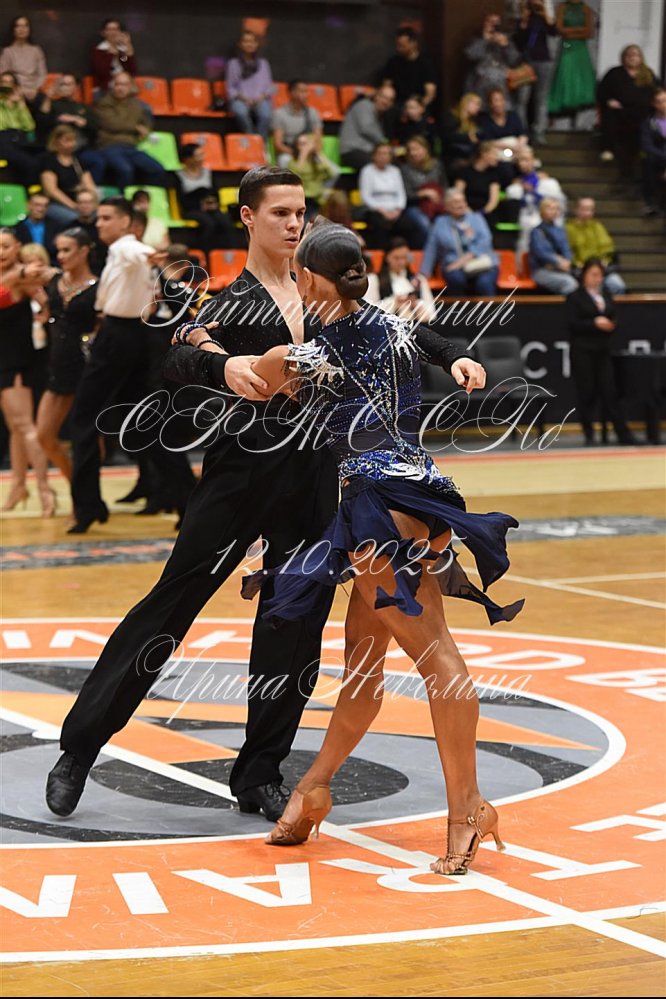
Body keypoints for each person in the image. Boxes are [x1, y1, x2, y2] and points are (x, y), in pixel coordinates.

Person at [45, 165, 484, 826]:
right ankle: (79, 748)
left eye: (300, 212)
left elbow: (406, 331)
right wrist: (224, 364)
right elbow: (179, 355)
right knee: (170, 605)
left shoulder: (324, 291)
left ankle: (259, 773)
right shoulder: (232, 301)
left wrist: (453, 355)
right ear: (248, 218)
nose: (293, 223)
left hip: (315, 477)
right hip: (238, 475)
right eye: (279, 212)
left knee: (294, 621)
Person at [237, 219, 524, 873]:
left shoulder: (316, 352)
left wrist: (202, 339)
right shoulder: (391, 324)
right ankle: (313, 790)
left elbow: (259, 377)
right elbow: (430, 338)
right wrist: (456, 355)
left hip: (377, 513)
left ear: (311, 279)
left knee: (437, 659)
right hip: (418, 497)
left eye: (298, 275)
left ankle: (468, 809)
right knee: (363, 662)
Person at [65, 196, 192, 534]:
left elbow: (136, 252)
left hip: (118, 337)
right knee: (147, 422)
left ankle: (88, 507)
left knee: (83, 420)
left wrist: (149, 254)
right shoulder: (119, 251)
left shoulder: (126, 247)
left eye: (107, 218)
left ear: (125, 222)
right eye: (99, 218)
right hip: (136, 337)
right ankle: (187, 500)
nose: (99, 223)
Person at [36, 228, 98, 489]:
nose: (60, 256)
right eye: (58, 250)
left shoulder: (98, 287)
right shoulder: (53, 280)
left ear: (83, 251)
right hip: (57, 365)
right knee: (44, 435)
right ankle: (78, 487)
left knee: (87, 439)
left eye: (66, 250)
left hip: (86, 366)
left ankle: (86, 495)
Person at [0, 227, 55, 516]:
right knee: (15, 428)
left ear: (17, 247)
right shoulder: (11, 275)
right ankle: (18, 486)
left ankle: (46, 490)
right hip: (3, 360)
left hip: (17, 361)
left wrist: (44, 315)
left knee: (25, 427)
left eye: (6, 246)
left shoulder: (23, 276)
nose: (1, 252)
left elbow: (49, 299)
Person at [566, 258, 636, 446]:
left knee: (610, 392)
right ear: (584, 276)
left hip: (603, 350)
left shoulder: (605, 295)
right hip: (582, 351)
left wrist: (610, 324)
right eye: (594, 275)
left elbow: (614, 317)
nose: (598, 279)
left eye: (600, 275)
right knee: (586, 392)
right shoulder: (574, 297)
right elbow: (572, 323)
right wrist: (594, 323)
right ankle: (589, 435)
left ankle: (623, 435)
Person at [87, 72, 166, 189]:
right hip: (109, 146)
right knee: (125, 169)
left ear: (131, 87)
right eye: (117, 84)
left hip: (131, 147)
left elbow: (146, 124)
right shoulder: (102, 104)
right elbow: (113, 125)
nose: (120, 88)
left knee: (157, 169)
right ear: (112, 85)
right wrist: (136, 127)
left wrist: (143, 130)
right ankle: (122, 198)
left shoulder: (136, 105)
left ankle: (145, 197)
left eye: (124, 85)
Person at [597, 45, 661, 182]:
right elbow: (602, 91)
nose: (632, 58)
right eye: (629, 55)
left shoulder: (648, 74)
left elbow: (658, 92)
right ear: (623, 58)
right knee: (611, 115)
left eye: (635, 55)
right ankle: (608, 149)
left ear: (641, 58)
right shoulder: (614, 73)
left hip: (643, 113)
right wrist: (609, 100)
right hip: (620, 112)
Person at [420, 189, 499, 296]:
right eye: (456, 202)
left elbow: (485, 241)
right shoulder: (440, 223)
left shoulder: (476, 218)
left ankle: (489, 308)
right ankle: (458, 307)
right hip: (453, 264)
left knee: (484, 284)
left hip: (481, 264)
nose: (461, 205)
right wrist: (423, 273)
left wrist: (463, 261)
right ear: (447, 206)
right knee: (456, 280)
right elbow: (431, 248)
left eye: (463, 201)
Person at [512, 0, 559, 145]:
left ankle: (539, 132)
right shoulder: (521, 19)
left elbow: (554, 32)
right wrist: (524, 20)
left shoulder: (542, 17)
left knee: (541, 99)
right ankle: (522, 132)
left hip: (544, 62)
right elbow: (518, 42)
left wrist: (544, 12)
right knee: (522, 99)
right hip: (525, 63)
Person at [174, 142, 235, 251]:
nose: (202, 158)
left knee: (225, 221)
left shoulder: (208, 173)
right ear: (188, 159)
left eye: (202, 154)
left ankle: (226, 253)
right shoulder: (179, 176)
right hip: (192, 209)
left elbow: (215, 193)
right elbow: (181, 200)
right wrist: (199, 205)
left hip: (210, 208)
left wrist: (214, 203)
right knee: (208, 223)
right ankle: (206, 252)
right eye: (198, 155)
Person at [505, 145, 566, 254]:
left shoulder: (546, 181)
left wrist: (533, 191)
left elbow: (556, 204)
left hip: (546, 224)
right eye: (520, 160)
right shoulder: (516, 183)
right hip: (527, 224)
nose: (522, 163)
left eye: (526, 160)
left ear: (534, 161)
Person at [359, 141, 419, 249]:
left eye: (386, 153)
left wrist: (397, 210)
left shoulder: (395, 171)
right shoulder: (367, 171)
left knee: (408, 224)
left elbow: (401, 194)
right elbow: (366, 196)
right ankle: (382, 253)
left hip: (395, 210)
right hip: (375, 209)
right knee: (380, 225)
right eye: (380, 153)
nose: (383, 156)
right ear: (374, 155)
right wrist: (383, 211)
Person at [365, 236, 436, 323]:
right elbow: (368, 310)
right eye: (396, 258)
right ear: (387, 257)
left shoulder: (419, 279)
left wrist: (416, 305)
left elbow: (432, 312)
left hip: (416, 326)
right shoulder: (374, 280)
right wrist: (394, 302)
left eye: (404, 257)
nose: (401, 262)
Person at [547, 0, 596, 125]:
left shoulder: (586, 9)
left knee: (580, 76)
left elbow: (589, 32)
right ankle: (560, 108)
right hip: (567, 45)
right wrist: (578, 31)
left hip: (580, 47)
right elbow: (559, 29)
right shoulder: (562, 7)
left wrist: (569, 31)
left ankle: (577, 113)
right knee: (565, 73)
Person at [39, 124, 97, 228]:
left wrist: (91, 203)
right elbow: (52, 190)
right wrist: (73, 206)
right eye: (67, 140)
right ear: (56, 141)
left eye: (73, 140)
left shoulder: (78, 162)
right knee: (75, 218)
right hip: (57, 204)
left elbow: (90, 185)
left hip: (80, 202)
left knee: (98, 215)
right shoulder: (49, 161)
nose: (72, 144)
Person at [565, 197, 626, 294]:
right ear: (576, 210)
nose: (587, 213)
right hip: (581, 269)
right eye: (584, 209)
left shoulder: (598, 226)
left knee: (617, 285)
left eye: (590, 210)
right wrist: (577, 263)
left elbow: (607, 247)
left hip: (600, 267)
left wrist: (605, 261)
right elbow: (567, 251)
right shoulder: (568, 229)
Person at [225, 29, 274, 141]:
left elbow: (269, 86)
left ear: (257, 44)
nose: (249, 44)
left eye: (252, 41)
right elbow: (231, 87)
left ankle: (260, 141)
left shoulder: (263, 63)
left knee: (266, 114)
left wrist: (261, 97)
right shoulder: (233, 63)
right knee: (240, 112)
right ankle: (251, 138)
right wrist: (244, 98)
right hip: (241, 99)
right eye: (246, 41)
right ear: (240, 44)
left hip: (260, 99)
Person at [399, 135, 446, 245]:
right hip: (415, 205)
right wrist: (423, 194)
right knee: (426, 225)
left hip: (438, 203)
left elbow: (444, 186)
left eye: (416, 149)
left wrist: (441, 199)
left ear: (425, 149)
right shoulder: (404, 169)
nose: (413, 153)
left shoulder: (437, 166)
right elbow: (406, 194)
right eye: (410, 150)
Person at [464, 13, 521, 103]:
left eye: (496, 23)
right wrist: (485, 40)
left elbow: (514, 61)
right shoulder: (477, 40)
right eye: (490, 22)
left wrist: (505, 46)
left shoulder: (506, 41)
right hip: (481, 82)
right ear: (485, 24)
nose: (493, 26)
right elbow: (471, 56)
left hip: (501, 83)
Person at [338, 85, 395, 171]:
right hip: (351, 151)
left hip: (367, 152)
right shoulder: (364, 105)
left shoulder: (381, 116)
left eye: (390, 100)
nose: (386, 102)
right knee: (380, 163)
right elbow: (367, 129)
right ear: (376, 96)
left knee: (394, 163)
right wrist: (386, 144)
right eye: (384, 97)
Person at [528, 196, 578, 294]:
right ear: (542, 211)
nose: (553, 211)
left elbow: (566, 249)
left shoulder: (560, 230)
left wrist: (567, 261)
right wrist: (556, 261)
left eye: (556, 209)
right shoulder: (536, 232)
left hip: (561, 269)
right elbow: (541, 253)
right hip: (541, 270)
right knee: (569, 283)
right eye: (550, 208)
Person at [378, 27, 436, 108]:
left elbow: (430, 94)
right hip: (396, 105)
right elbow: (386, 86)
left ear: (413, 43)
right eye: (397, 45)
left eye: (402, 46)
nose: (398, 48)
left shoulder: (426, 64)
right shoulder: (393, 62)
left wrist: (418, 107)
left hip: (417, 106)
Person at [271, 80, 323, 168]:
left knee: (333, 171)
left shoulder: (312, 112)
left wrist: (310, 152)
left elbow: (318, 139)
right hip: (289, 153)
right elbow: (278, 145)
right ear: (292, 93)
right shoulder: (279, 114)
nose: (306, 95)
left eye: (306, 91)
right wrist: (297, 154)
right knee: (285, 161)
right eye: (302, 91)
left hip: (309, 152)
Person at [287, 131, 338, 219]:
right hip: (301, 198)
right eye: (302, 144)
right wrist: (303, 156)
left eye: (307, 143)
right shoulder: (292, 162)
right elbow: (294, 178)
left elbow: (330, 173)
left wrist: (318, 153)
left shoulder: (316, 163)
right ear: (296, 147)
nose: (305, 147)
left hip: (317, 199)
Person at [0, 69, 38, 184]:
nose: (6, 85)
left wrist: (20, 104)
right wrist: (6, 103)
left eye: (10, 82)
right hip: (2, 137)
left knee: (35, 161)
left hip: (18, 138)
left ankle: (30, 189)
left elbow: (29, 126)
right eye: (3, 82)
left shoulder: (18, 103)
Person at [0, 15, 46, 107]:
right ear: (13, 30)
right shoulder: (7, 51)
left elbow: (42, 74)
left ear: (29, 29)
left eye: (25, 26)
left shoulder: (36, 50)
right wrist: (18, 89)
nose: (22, 29)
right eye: (18, 26)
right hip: (14, 90)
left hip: (34, 91)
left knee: (45, 104)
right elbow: (4, 74)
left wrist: (35, 89)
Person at [454, 141, 503, 224]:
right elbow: (458, 193)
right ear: (484, 154)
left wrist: (482, 213)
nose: (497, 158)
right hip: (465, 210)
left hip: (485, 213)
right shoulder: (464, 172)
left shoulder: (494, 174)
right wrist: (468, 211)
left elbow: (493, 200)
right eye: (494, 154)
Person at [439, 92, 482, 178]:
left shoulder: (473, 122)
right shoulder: (451, 117)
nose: (478, 108)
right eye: (476, 104)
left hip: (468, 156)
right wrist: (467, 138)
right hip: (451, 157)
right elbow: (446, 136)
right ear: (467, 103)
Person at [15, 191, 62, 264]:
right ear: (28, 205)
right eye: (37, 205)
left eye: (45, 206)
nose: (41, 209)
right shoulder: (18, 228)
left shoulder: (56, 226)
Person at [91, 18, 137, 92]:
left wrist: (128, 46)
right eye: (110, 29)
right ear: (104, 32)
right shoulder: (99, 50)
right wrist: (111, 54)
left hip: (125, 86)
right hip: (105, 88)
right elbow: (102, 72)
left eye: (116, 29)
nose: (113, 33)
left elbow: (131, 69)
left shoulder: (121, 51)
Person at [640, 88, 666, 217]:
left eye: (665, 100)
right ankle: (651, 204)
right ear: (654, 104)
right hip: (659, 159)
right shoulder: (649, 123)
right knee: (648, 161)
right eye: (659, 102)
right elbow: (647, 146)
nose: (663, 104)